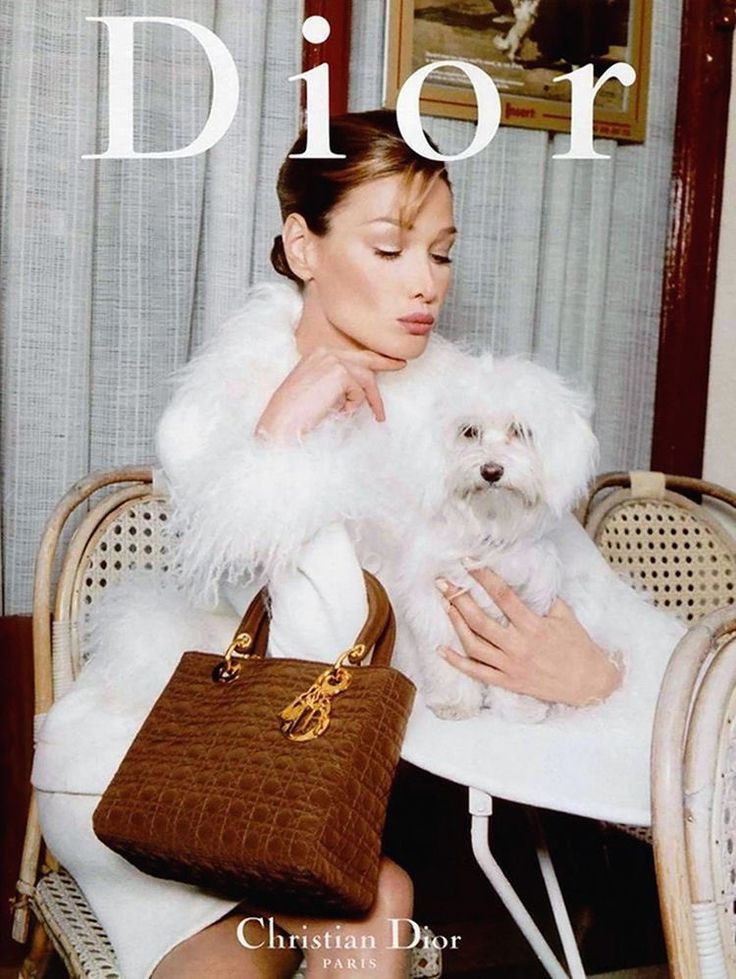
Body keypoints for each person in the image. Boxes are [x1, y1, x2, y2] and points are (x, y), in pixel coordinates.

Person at [32, 110, 675, 979]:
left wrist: (600, 677)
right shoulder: (214, 413)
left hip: (316, 786)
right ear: (303, 247)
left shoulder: (461, 411)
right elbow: (322, 642)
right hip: (154, 768)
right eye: (390, 248)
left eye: (441, 253)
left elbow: (575, 582)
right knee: (343, 920)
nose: (427, 285)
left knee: (380, 908)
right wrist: (280, 443)